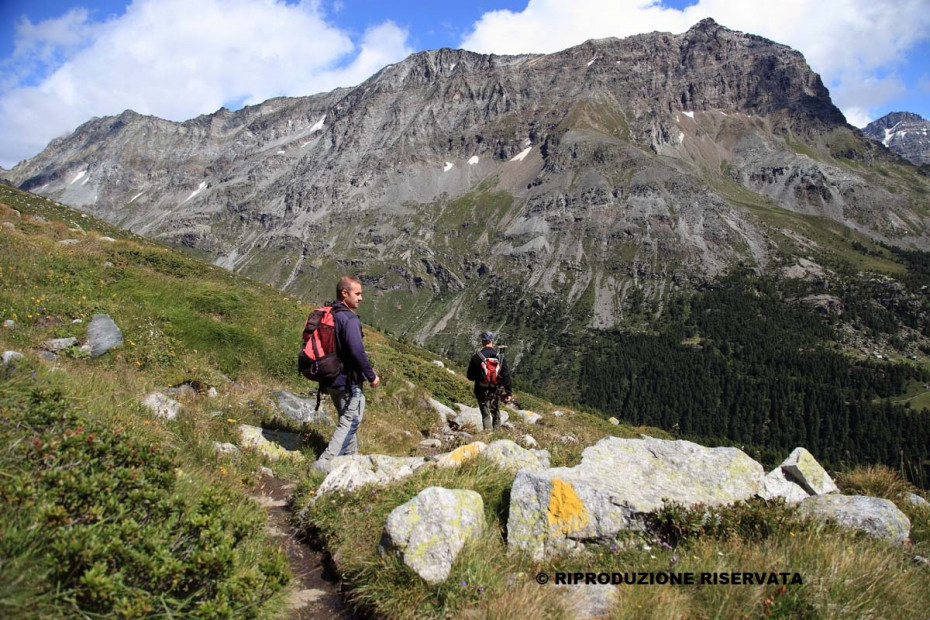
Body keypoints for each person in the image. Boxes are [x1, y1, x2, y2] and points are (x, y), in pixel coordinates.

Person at [314, 275, 380, 469]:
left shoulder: (330, 314)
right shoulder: (349, 319)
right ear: (345, 293)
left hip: (330, 379)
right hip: (348, 381)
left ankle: (352, 461)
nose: (361, 298)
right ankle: (326, 463)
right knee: (350, 422)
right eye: (357, 294)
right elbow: (357, 351)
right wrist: (372, 376)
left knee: (347, 420)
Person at [466, 331, 512, 431]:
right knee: (496, 413)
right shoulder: (499, 357)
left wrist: (480, 376)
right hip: (495, 390)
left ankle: (487, 434)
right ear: (492, 341)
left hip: (481, 389)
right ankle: (496, 435)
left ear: (483, 342)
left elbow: (470, 376)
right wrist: (508, 392)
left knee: (485, 415)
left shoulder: (476, 357)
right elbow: (506, 375)